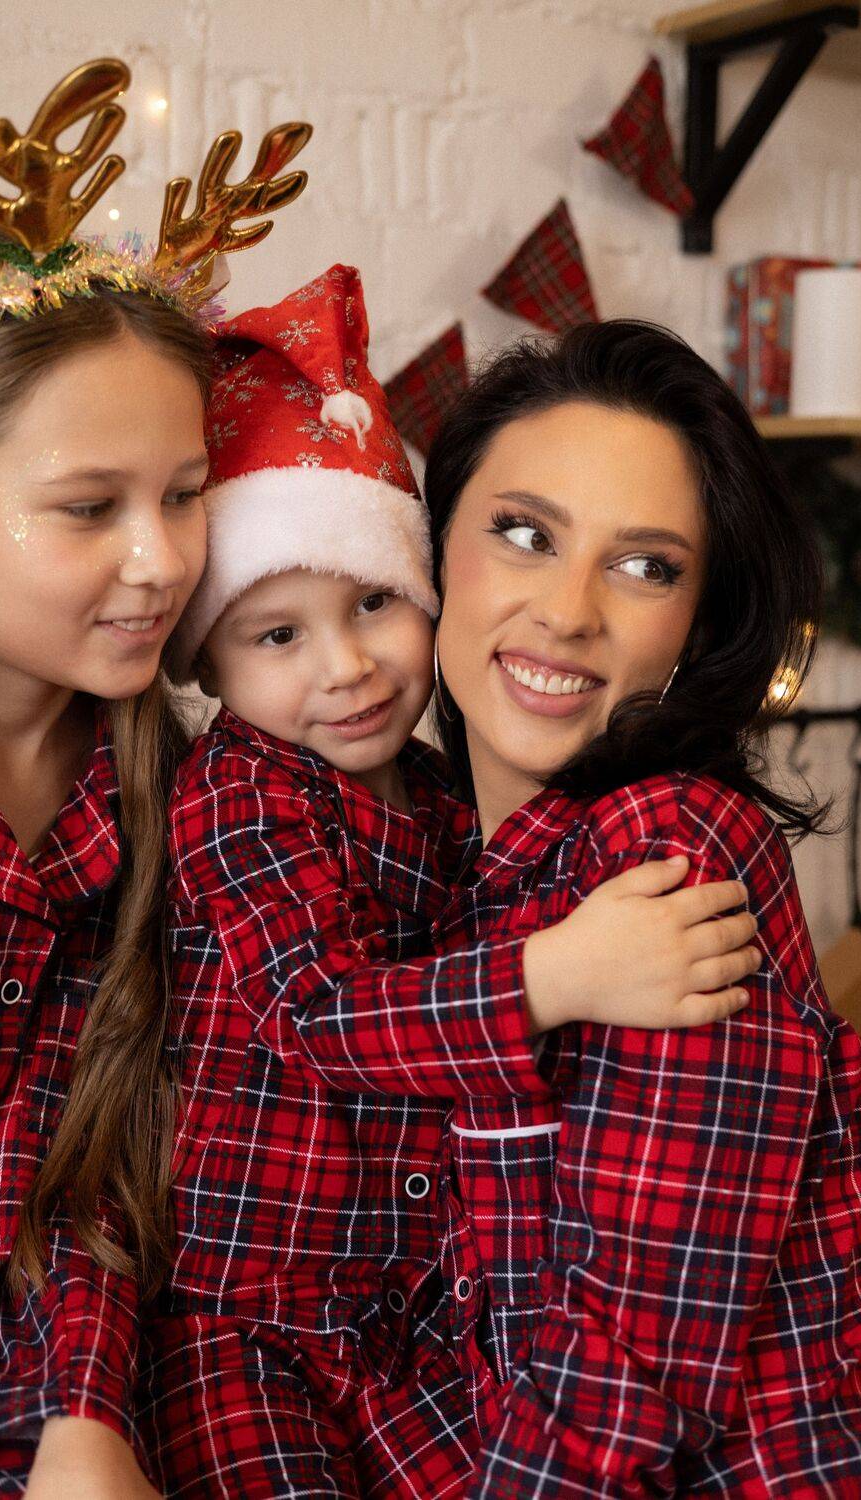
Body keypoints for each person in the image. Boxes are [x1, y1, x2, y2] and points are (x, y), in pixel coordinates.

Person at [138, 268, 760, 1497]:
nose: (348, 667)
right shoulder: (240, 792)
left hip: (410, 1315)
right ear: (207, 663)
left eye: (376, 603)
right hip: (249, 1320)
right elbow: (315, 1014)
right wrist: (552, 977)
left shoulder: (453, 805)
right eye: (278, 634)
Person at [0, 57, 306, 1498]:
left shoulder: (176, 799)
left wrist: (82, 1414)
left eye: (183, 495)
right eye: (87, 508)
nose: (160, 560)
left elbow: (103, 1162)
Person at [417, 322, 861, 1495]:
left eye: (645, 567)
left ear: (698, 626)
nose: (568, 611)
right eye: (525, 534)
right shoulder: (443, 859)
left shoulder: (670, 850)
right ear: (434, 551)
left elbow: (616, 1397)